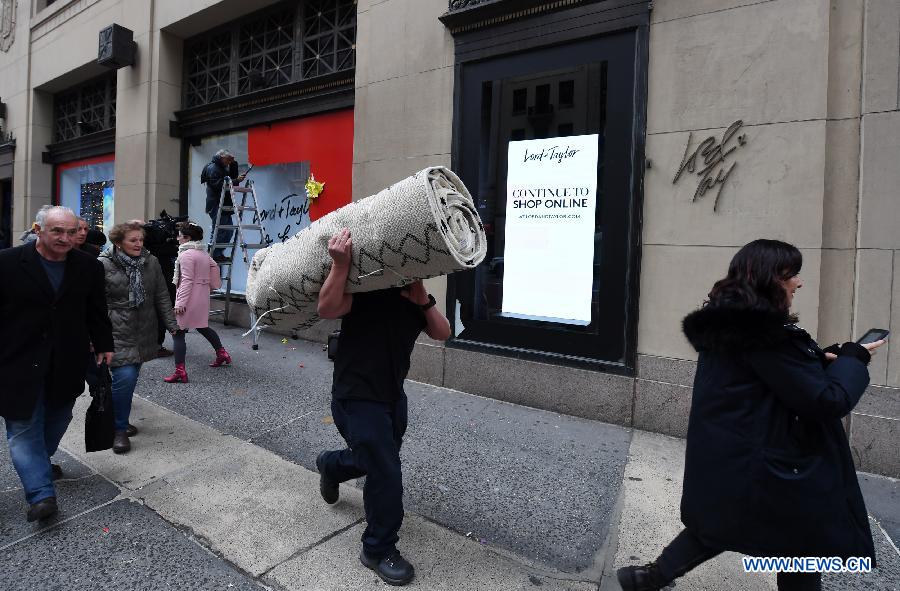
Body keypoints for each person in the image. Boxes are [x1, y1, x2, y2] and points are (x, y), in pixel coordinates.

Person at [616, 239, 885, 591]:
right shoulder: (765, 336)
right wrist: (853, 360)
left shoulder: (732, 322)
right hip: (766, 456)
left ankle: (646, 579)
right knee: (795, 539)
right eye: (792, 274)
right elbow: (827, 401)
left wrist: (820, 359)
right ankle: (647, 579)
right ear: (770, 279)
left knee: (724, 525)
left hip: (735, 449)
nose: (799, 282)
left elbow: (767, 375)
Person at [314, 228, 452, 587]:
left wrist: (423, 299)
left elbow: (443, 333)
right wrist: (340, 265)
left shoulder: (412, 296)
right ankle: (377, 549)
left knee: (375, 461)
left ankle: (331, 465)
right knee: (386, 471)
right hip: (355, 395)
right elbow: (327, 308)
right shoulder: (367, 286)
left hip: (392, 396)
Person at [0, 206, 114, 522]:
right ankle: (41, 495)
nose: (65, 238)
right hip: (17, 360)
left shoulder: (88, 266)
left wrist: (104, 343)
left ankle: (39, 462)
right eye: (57, 231)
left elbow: (96, 309)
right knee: (23, 427)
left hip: (67, 358)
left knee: (59, 417)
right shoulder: (7, 262)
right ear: (38, 230)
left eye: (70, 231)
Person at [99, 221, 178, 454]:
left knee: (129, 378)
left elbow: (161, 295)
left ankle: (119, 418)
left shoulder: (150, 262)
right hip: (115, 330)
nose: (138, 244)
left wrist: (171, 324)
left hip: (144, 329)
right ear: (118, 242)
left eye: (141, 240)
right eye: (133, 240)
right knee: (125, 376)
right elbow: (93, 302)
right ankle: (118, 429)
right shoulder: (103, 264)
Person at [163, 221, 231, 383]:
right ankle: (222, 353)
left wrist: (180, 303)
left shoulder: (186, 255)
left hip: (189, 297)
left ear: (187, 238)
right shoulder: (203, 253)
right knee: (202, 326)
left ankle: (180, 371)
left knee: (178, 332)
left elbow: (186, 280)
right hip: (202, 295)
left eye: (180, 236)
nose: (177, 238)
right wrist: (211, 285)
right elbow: (214, 267)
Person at [201, 149, 245, 261]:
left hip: (223, 204)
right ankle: (212, 255)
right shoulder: (213, 168)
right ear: (221, 157)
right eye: (228, 160)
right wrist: (235, 180)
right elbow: (219, 184)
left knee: (228, 231)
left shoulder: (221, 167)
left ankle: (217, 254)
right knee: (219, 231)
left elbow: (231, 179)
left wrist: (234, 164)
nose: (229, 162)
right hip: (216, 204)